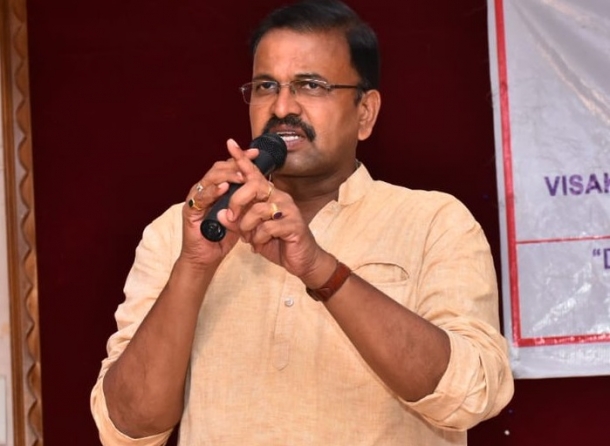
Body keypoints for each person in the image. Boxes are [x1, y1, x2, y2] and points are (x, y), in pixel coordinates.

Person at [90, 0, 514, 444]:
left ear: (365, 112)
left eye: (310, 85)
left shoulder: (434, 223)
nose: (281, 107)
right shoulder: (183, 231)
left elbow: (472, 396)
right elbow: (127, 428)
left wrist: (321, 270)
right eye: (265, 86)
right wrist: (193, 267)